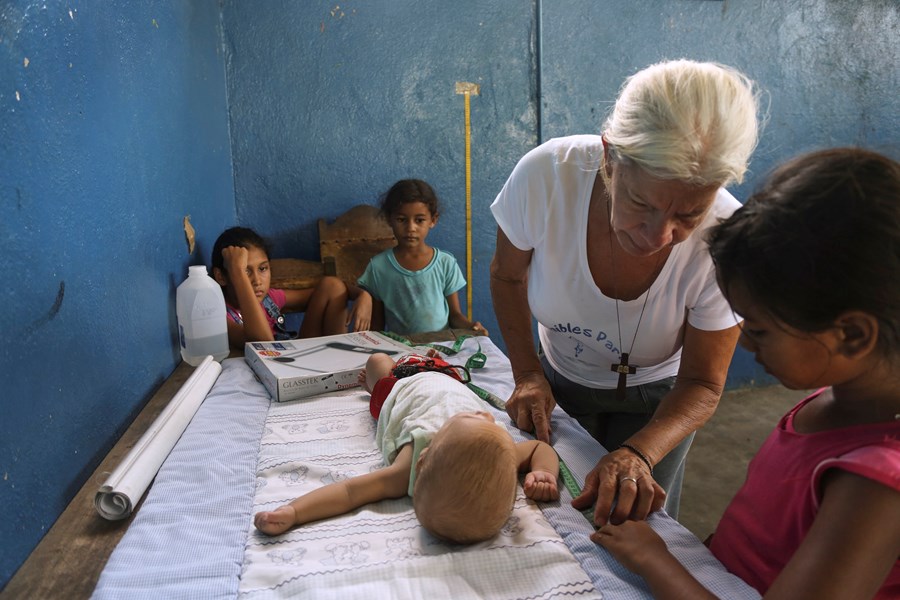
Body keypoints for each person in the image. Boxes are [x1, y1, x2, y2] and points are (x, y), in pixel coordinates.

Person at [593, 148, 900, 599]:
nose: (748, 346)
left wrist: (654, 559)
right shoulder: (837, 397)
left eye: (758, 329)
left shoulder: (875, 484)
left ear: (852, 334)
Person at [489, 59, 761, 523]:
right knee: (544, 512)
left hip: (662, 398)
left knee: (634, 522)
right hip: (557, 377)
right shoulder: (546, 177)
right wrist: (528, 373)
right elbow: (507, 276)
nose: (659, 236)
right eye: (642, 204)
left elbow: (702, 383)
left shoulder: (728, 240)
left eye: (689, 215)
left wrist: (639, 451)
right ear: (610, 159)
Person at [254, 351, 560, 543]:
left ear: (424, 458)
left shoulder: (407, 466)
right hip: (448, 379)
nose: (486, 414)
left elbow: (349, 493)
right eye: (485, 420)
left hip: (402, 389)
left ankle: (375, 383)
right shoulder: (499, 452)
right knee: (431, 356)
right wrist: (544, 471)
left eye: (471, 418)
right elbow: (538, 449)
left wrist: (294, 512)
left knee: (378, 363)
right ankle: (427, 358)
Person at [357, 179, 489, 336]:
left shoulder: (445, 263)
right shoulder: (378, 267)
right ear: (388, 219)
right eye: (401, 220)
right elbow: (377, 325)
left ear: (433, 220)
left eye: (419, 220)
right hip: (402, 352)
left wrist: (471, 326)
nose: (410, 228)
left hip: (440, 348)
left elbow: (455, 316)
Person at [211, 227, 373, 349]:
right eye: (246, 271)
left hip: (295, 359)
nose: (256, 281)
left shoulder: (270, 299)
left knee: (332, 285)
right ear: (221, 277)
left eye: (263, 269)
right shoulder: (221, 317)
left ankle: (339, 360)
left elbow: (332, 289)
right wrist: (237, 273)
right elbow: (265, 344)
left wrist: (362, 295)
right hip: (272, 368)